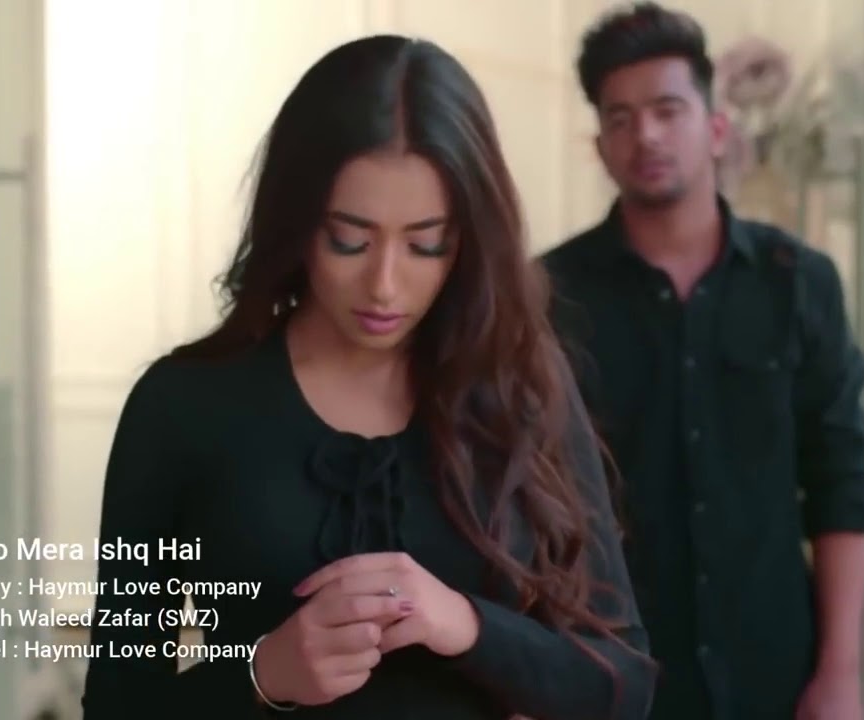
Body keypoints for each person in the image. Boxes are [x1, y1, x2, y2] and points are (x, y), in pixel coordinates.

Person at [80, 34, 656, 720]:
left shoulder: (522, 389)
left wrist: (467, 626)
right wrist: (264, 673)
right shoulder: (184, 406)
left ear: (469, 240)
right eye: (348, 239)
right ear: (297, 222)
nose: (384, 285)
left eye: (426, 244)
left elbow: (623, 684)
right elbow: (116, 703)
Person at [540, 4, 864, 720]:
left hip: (775, 674)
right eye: (621, 118)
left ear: (717, 128)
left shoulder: (798, 282)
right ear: (600, 146)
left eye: (668, 111)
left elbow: (840, 484)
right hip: (615, 679)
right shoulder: (549, 296)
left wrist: (841, 674)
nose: (646, 135)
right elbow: (526, 499)